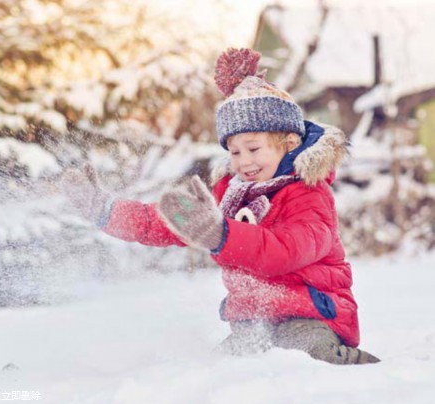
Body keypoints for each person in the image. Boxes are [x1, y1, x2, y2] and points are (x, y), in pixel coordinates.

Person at [62, 48, 380, 365]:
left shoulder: (309, 195)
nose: (244, 161)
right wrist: (106, 210)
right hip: (252, 324)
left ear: (290, 143)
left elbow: (284, 252)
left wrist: (220, 234)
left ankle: (374, 378)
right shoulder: (231, 194)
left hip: (312, 318)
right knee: (214, 371)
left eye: (253, 148)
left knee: (314, 361)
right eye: (235, 152)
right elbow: (165, 222)